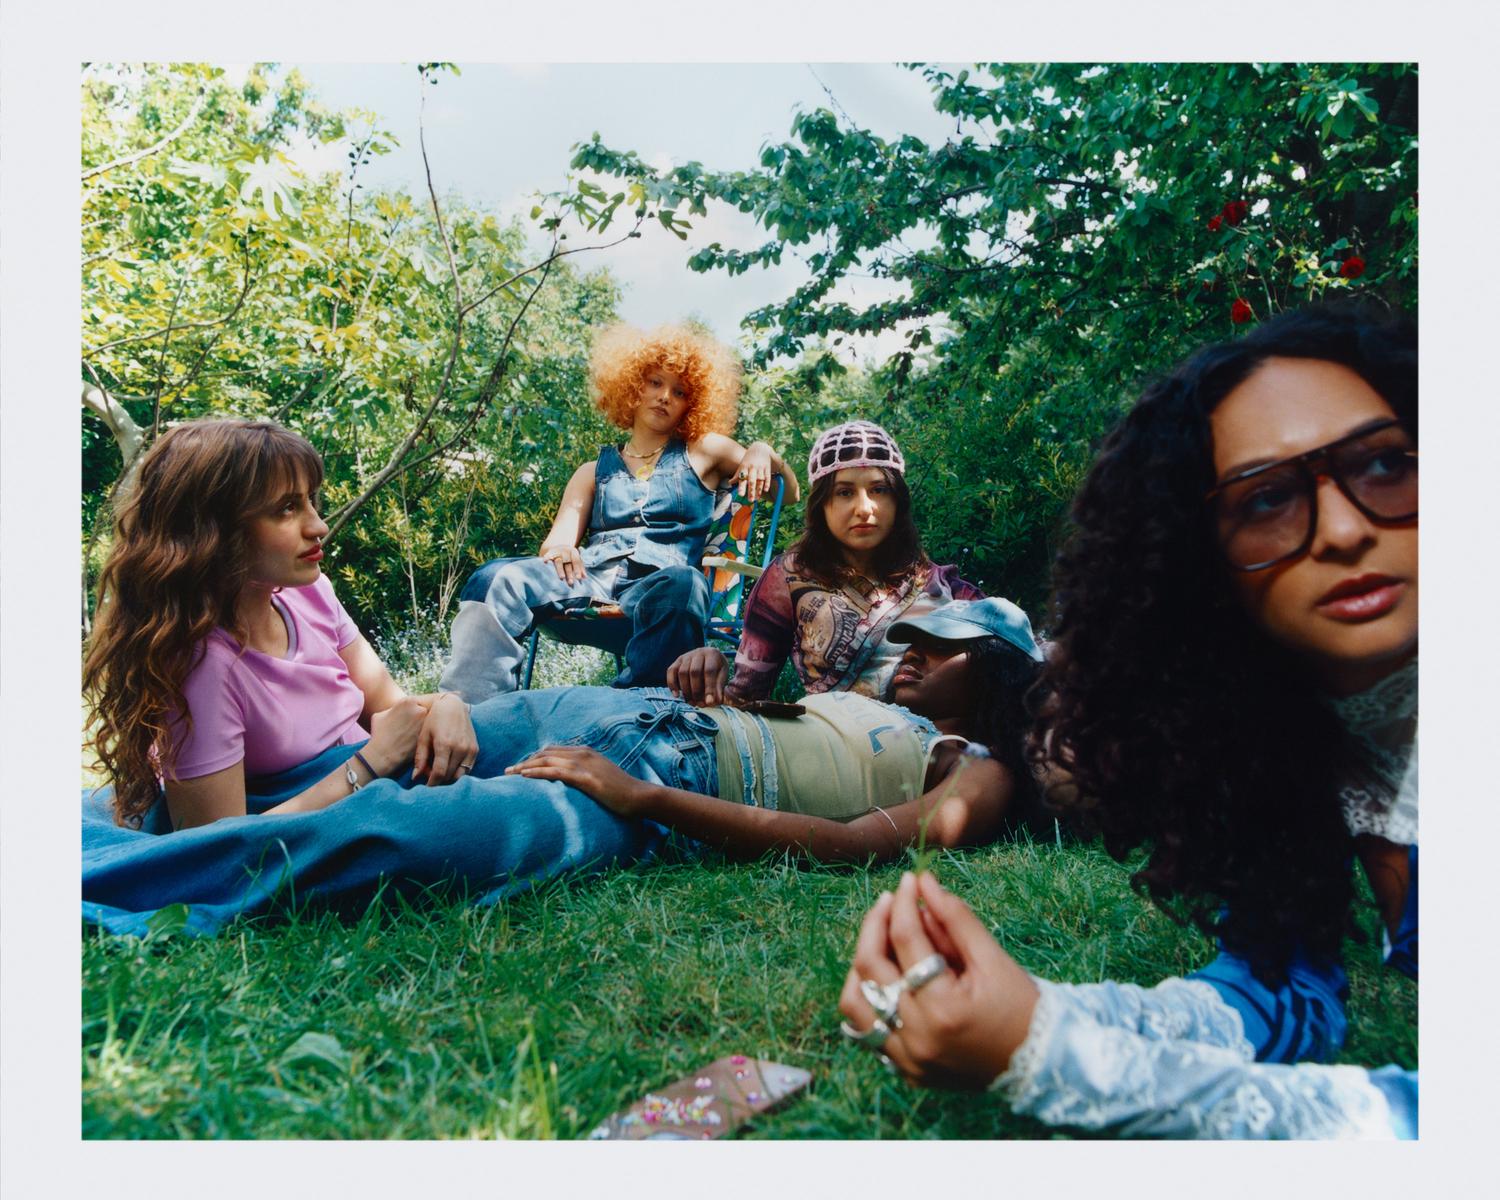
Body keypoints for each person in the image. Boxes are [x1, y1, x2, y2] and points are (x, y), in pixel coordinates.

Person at [80, 419, 1044, 931]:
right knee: (488, 730)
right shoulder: (785, 581)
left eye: (939, 647)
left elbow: (845, 841)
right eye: (915, 641)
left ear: (998, 674)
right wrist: (420, 726)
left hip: (664, 769)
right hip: (636, 715)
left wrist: (639, 796)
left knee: (455, 823)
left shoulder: (975, 764)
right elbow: (759, 689)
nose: (913, 654)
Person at [838, 302, 1418, 1137]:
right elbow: (1283, 992)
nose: (1343, 530)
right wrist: (1037, 1013)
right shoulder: (1289, 739)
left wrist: (1057, 1057)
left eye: (1385, 464)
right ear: (1201, 560)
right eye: (1266, 500)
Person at [438, 323, 798, 702]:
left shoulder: (705, 451)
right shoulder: (592, 471)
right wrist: (561, 550)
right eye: (654, 383)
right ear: (632, 387)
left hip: (660, 592)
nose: (664, 396)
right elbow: (557, 544)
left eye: (679, 392)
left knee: (686, 582)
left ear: (691, 404)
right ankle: (468, 709)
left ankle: (636, 708)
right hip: (590, 582)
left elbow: (788, 494)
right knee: (496, 576)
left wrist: (763, 451)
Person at [667, 420, 982, 707]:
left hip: (944, 742)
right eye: (844, 492)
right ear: (822, 506)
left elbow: (1004, 651)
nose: (864, 508)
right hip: (834, 742)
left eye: (879, 490)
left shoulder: (940, 584)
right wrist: (709, 666)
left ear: (898, 501)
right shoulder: (788, 576)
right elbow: (745, 696)